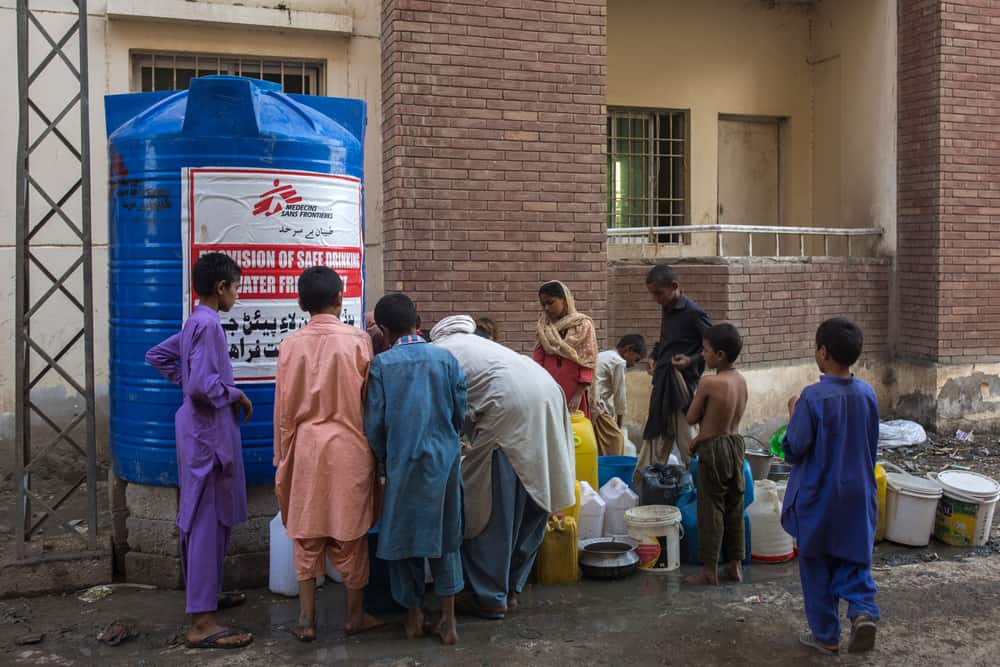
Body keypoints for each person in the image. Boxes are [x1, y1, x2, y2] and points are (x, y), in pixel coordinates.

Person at [431, 315, 576, 620]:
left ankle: (490, 597)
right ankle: (511, 589)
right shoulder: (482, 345)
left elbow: (449, 416)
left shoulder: (440, 353)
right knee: (535, 494)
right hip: (548, 396)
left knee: (489, 508)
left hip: (509, 407)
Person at [145, 252, 254, 650]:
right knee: (207, 523)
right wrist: (236, 394)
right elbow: (201, 387)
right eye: (236, 288)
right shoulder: (209, 327)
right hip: (208, 436)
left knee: (202, 520)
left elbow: (157, 355)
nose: (238, 296)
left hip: (196, 431)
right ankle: (202, 623)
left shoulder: (195, 321)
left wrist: (188, 378)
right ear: (221, 287)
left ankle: (204, 597)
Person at [273, 267, 383, 641]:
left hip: (305, 450)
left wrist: (283, 458)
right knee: (351, 537)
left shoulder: (290, 345)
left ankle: (306, 619)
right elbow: (372, 403)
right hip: (351, 448)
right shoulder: (359, 341)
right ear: (340, 299)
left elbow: (284, 412)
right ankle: (355, 615)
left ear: (301, 303)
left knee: (305, 535)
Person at [364, 294, 467, 645]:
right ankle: (449, 621)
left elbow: (375, 423)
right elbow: (459, 412)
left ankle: (413, 617)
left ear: (385, 331)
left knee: (403, 538)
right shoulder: (446, 358)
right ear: (418, 322)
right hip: (444, 460)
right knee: (446, 537)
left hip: (403, 461)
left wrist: (382, 458)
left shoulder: (381, 365)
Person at [783, 318, 880, 655]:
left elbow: (794, 447)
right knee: (854, 559)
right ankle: (863, 612)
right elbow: (871, 442)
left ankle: (825, 636)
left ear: (822, 352)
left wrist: (794, 413)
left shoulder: (812, 398)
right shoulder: (867, 393)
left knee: (817, 564)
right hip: (858, 494)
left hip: (819, 496)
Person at [683, 324, 747, 586]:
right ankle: (735, 565)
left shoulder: (710, 382)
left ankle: (709, 570)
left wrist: (699, 436)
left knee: (711, 509)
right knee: (735, 507)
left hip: (714, 451)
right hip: (735, 445)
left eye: (706, 350)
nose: (703, 354)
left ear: (720, 355)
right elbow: (725, 422)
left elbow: (691, 416)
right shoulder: (740, 380)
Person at [640, 264, 712, 471]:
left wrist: (691, 360)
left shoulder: (694, 312)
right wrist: (654, 356)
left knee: (686, 436)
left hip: (683, 384)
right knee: (659, 432)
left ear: (674, 286)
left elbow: (714, 346)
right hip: (664, 379)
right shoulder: (667, 308)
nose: (656, 299)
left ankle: (701, 480)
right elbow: (665, 341)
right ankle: (654, 479)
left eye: (659, 294)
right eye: (652, 294)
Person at [534, 281, 599, 416]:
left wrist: (579, 394)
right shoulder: (544, 326)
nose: (546, 308)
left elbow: (588, 361)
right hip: (549, 388)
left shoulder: (582, 325)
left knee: (574, 432)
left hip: (574, 390)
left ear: (564, 300)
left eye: (550, 303)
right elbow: (538, 360)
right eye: (543, 304)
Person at [591, 334, 646, 456]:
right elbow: (620, 395)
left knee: (598, 441)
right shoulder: (619, 362)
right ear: (629, 350)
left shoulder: (607, 355)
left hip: (592, 402)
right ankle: (612, 470)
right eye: (636, 359)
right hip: (596, 404)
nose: (635, 364)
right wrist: (619, 424)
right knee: (616, 439)